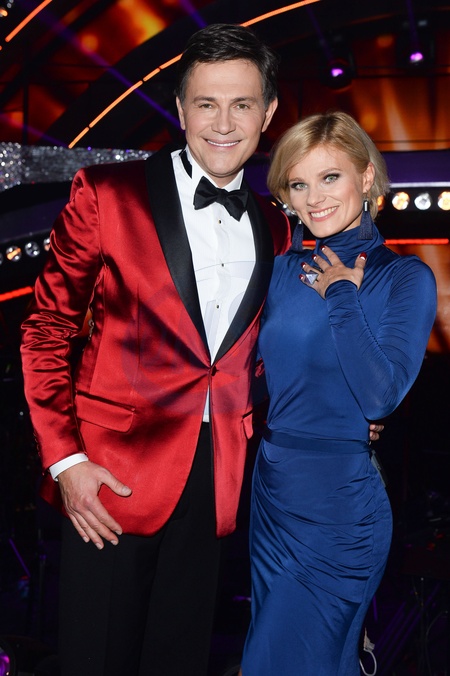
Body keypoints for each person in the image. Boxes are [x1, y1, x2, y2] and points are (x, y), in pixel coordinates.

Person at [20, 23, 289, 676]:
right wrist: (66, 463)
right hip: (107, 481)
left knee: (180, 661)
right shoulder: (105, 194)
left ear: (268, 114)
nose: (223, 123)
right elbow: (47, 329)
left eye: (242, 104)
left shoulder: (278, 224)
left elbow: (268, 354)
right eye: (206, 103)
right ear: (180, 109)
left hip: (217, 479)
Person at [239, 111, 437, 676]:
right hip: (273, 491)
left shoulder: (405, 279)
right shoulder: (278, 272)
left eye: (330, 177)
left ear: (366, 176)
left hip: (339, 505)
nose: (315, 198)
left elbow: (379, 397)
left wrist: (343, 297)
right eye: (299, 184)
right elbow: (247, 379)